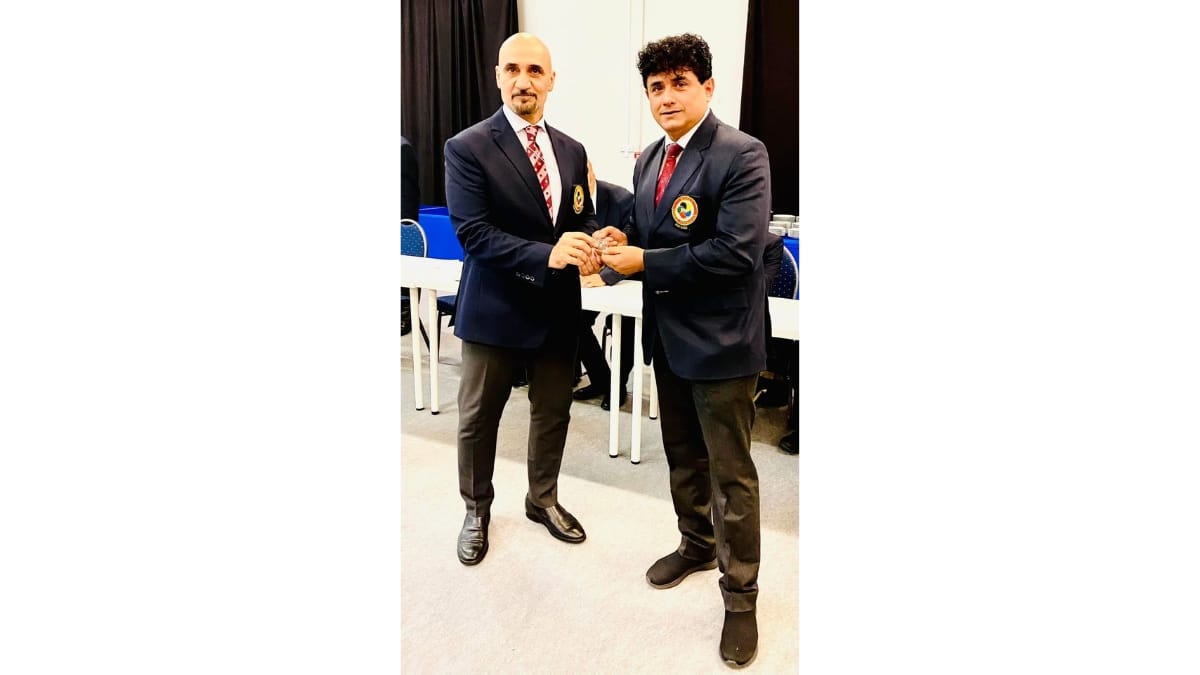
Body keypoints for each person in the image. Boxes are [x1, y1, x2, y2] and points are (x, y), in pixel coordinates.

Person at [597, 33, 770, 667]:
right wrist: (616, 247)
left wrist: (643, 260)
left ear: (708, 87)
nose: (666, 96)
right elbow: (649, 233)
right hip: (668, 338)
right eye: (656, 87)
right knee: (682, 457)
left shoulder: (742, 153)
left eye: (679, 83)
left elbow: (736, 253)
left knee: (731, 475)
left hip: (722, 344)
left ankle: (741, 596)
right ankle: (696, 543)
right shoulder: (650, 159)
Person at [443, 33, 601, 566]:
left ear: (551, 80)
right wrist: (548, 254)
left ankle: (543, 498)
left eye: (535, 70)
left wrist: (595, 239)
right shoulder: (467, 147)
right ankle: (476, 509)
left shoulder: (572, 151)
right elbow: (474, 234)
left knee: (553, 412)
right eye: (512, 69)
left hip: (557, 311)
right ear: (497, 77)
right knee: (478, 419)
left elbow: (578, 216)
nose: (523, 80)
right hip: (495, 308)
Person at [574, 160, 636, 410]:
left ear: (592, 172)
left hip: (626, 278)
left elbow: (634, 244)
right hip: (585, 280)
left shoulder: (622, 199)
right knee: (571, 317)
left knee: (625, 324)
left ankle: (618, 385)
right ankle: (601, 377)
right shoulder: (569, 202)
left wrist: (606, 276)